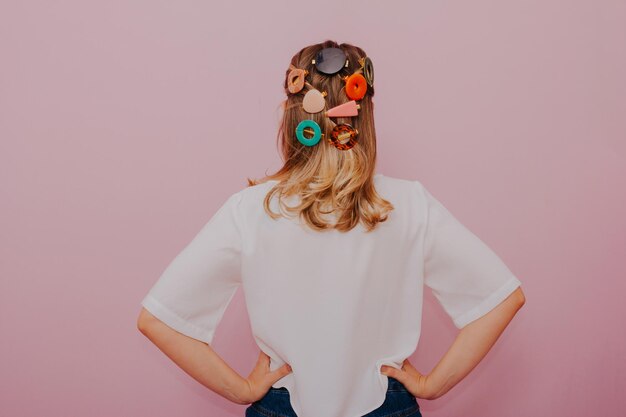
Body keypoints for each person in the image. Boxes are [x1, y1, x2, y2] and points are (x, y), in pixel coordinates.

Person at [136, 40, 526, 417]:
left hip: (283, 404)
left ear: (293, 117)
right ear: (365, 114)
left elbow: (158, 318)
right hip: (383, 405)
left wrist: (241, 390)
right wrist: (433, 385)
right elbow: (501, 297)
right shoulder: (408, 204)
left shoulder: (251, 209)